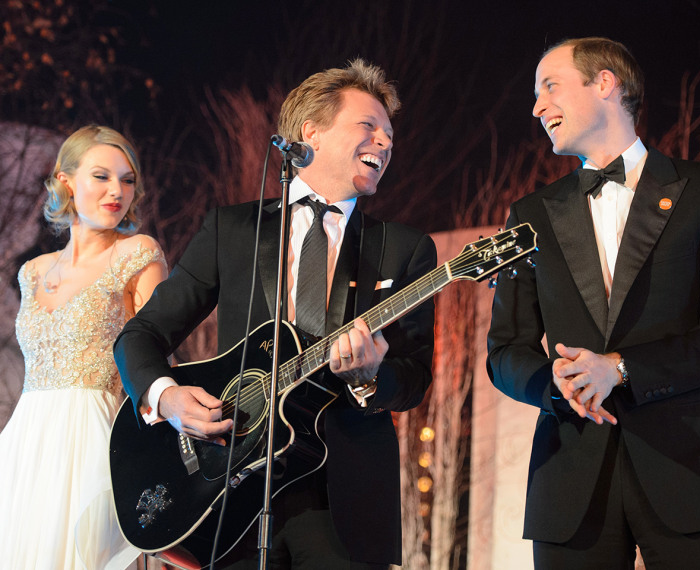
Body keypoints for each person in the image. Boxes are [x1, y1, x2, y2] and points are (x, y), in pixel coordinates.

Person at [113, 59, 436, 569]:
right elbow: (143, 333)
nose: (385, 142)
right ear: (311, 132)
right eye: (368, 126)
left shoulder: (405, 249)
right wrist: (166, 397)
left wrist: (372, 377)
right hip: (229, 491)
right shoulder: (232, 230)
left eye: (390, 134)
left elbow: (417, 378)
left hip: (342, 497)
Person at [487, 37, 700, 569]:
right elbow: (505, 351)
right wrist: (555, 386)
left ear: (606, 82)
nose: (537, 107)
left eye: (550, 86)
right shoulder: (529, 213)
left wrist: (621, 368)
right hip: (569, 484)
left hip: (690, 473)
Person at [0, 125, 167, 568]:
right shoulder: (32, 272)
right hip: (26, 446)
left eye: (127, 179)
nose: (117, 191)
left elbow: (157, 359)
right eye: (102, 176)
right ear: (65, 180)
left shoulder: (139, 254)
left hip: (97, 442)